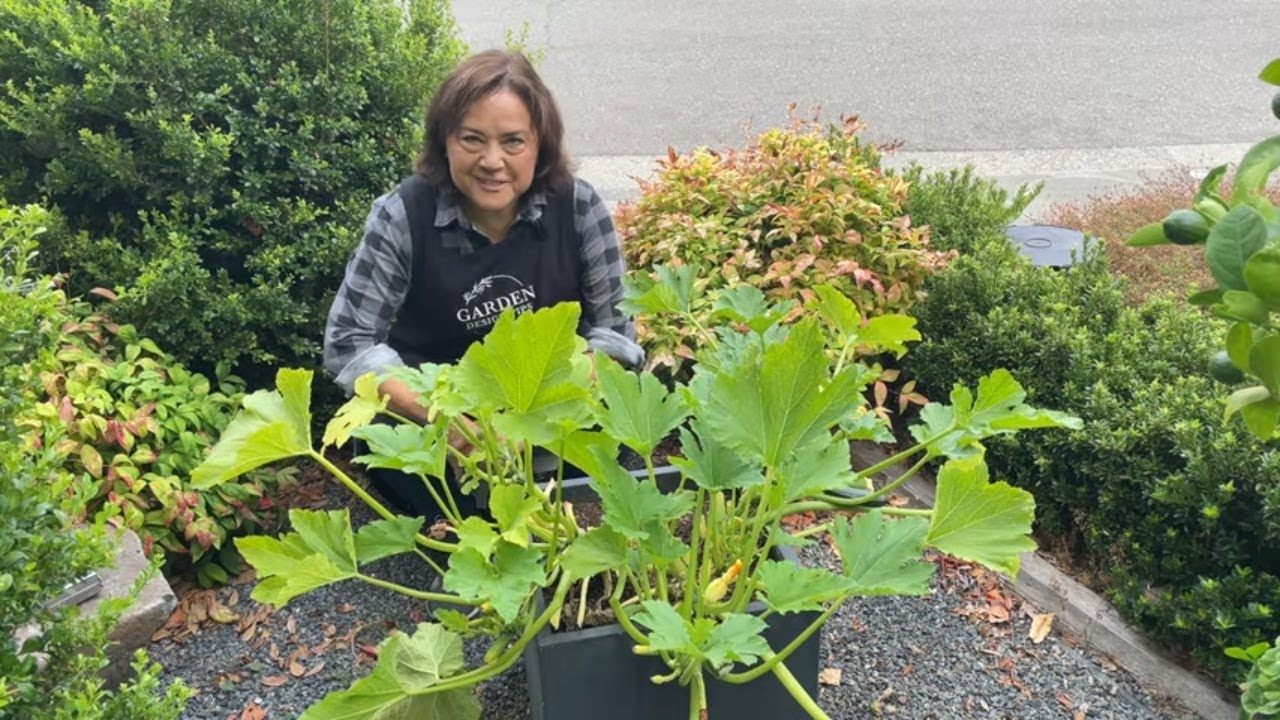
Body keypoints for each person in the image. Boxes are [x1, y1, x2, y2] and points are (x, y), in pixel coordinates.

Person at [323, 49, 642, 520]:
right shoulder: (403, 215)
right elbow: (349, 343)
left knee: (616, 425)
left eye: (513, 141)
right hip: (438, 415)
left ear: (541, 145)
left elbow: (615, 333)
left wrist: (532, 419)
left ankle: (548, 504)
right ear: (445, 142)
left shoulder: (577, 207)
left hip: (550, 406)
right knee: (390, 449)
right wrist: (452, 426)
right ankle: (462, 522)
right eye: (472, 139)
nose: (492, 161)